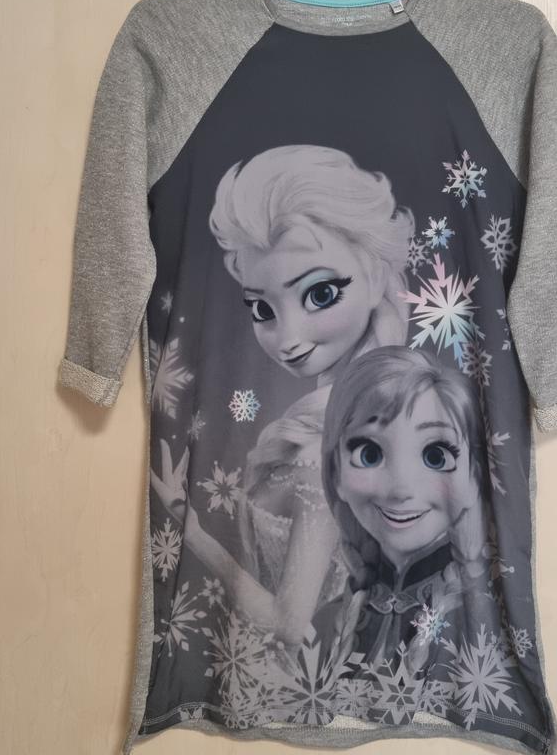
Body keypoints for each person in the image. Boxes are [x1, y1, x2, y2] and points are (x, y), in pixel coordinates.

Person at [152, 144, 415, 646]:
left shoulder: (323, 459)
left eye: (320, 294)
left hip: (285, 677)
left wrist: (195, 537)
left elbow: (290, 625)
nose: (288, 338)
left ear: (376, 275)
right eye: (262, 310)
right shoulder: (339, 425)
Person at [316, 344, 498, 673]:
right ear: (335, 472)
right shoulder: (323, 627)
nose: (400, 491)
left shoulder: (489, 625)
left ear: (474, 475)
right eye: (369, 454)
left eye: (436, 457)